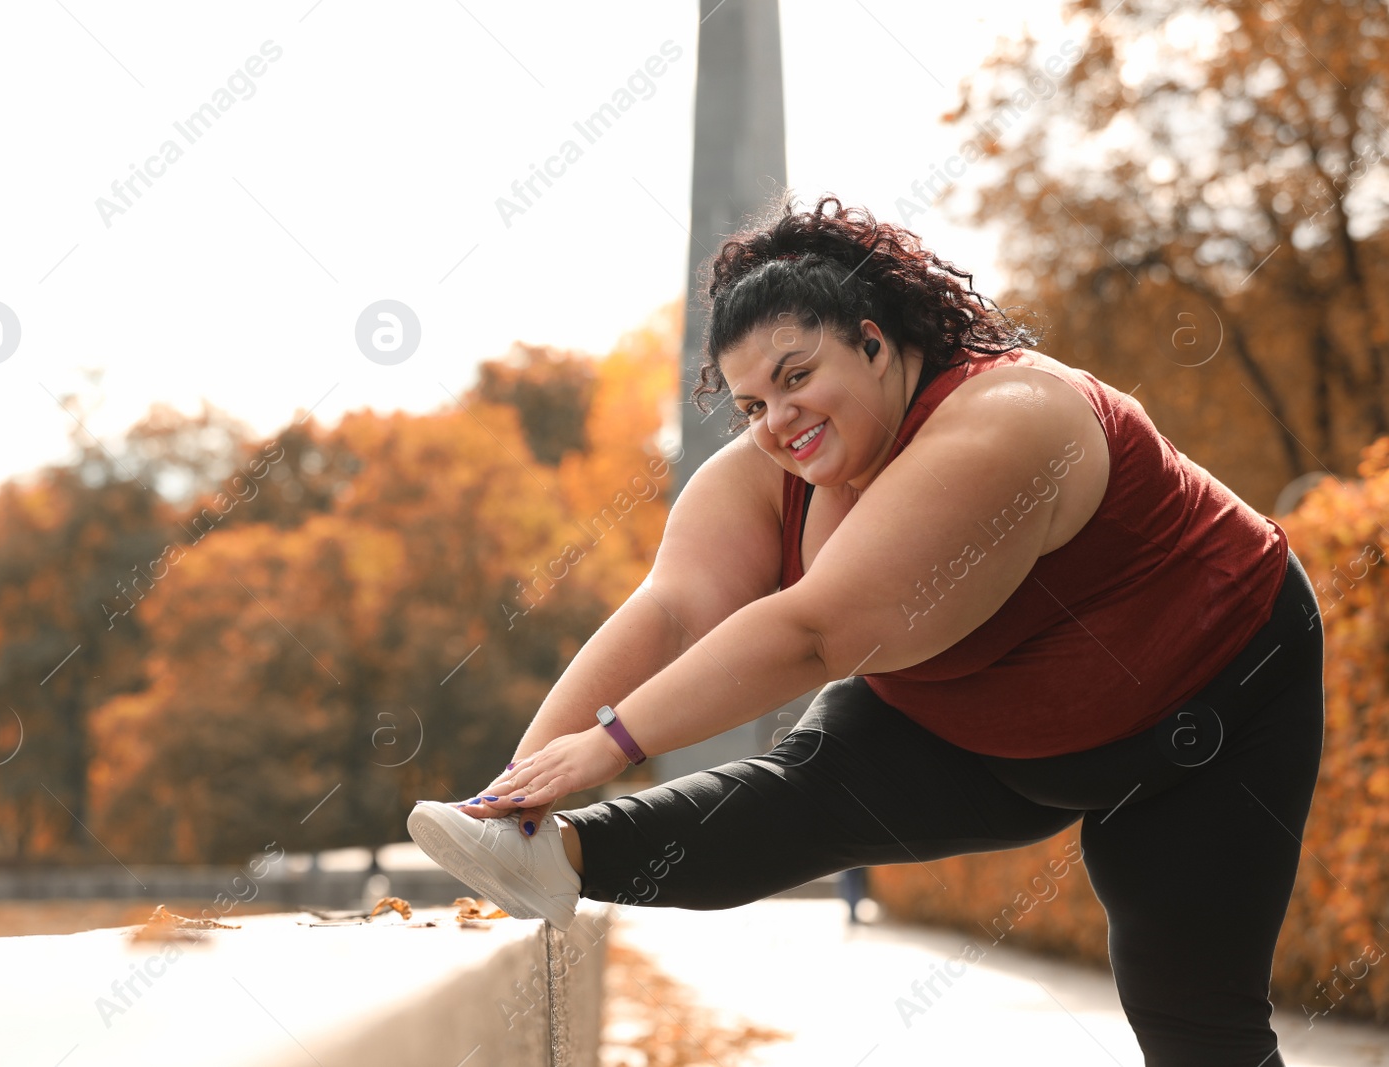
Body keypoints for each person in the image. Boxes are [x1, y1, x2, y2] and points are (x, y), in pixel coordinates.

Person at [408, 195, 1323, 1066]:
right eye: (753, 403)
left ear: (876, 342)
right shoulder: (769, 470)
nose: (778, 422)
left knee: (1194, 1019)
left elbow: (815, 635)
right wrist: (518, 793)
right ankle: (558, 852)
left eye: (797, 377)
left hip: (1211, 704)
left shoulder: (1009, 419)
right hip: (983, 731)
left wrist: (610, 743)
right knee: (803, 788)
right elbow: (673, 609)